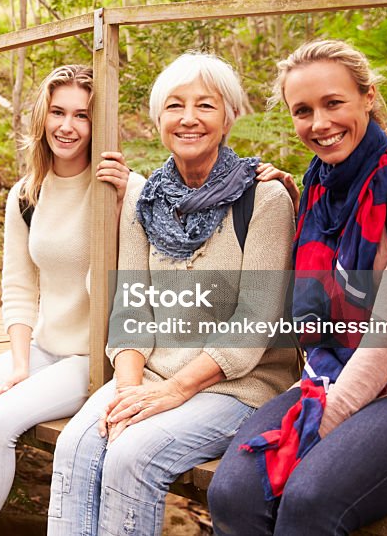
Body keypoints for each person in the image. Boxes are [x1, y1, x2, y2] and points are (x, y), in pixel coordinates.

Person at [207, 40, 387, 535]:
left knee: (309, 499)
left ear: (367, 97)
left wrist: (318, 425)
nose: (319, 123)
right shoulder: (322, 192)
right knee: (233, 492)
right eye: (303, 111)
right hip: (332, 376)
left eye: (333, 103)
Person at [47, 52, 298, 536]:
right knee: (77, 446)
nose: (188, 118)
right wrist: (127, 392)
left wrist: (174, 391)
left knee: (131, 457)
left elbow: (256, 320)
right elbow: (131, 305)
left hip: (237, 386)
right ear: (158, 119)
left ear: (229, 117)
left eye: (205, 105)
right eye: (175, 106)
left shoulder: (264, 198)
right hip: (149, 376)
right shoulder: (144, 201)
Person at [0, 64, 144, 536]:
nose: (67, 126)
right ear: (43, 117)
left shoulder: (124, 188)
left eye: (81, 116)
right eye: (57, 112)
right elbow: (18, 287)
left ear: (99, 125)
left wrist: (111, 213)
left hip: (96, 355)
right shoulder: (26, 194)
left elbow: (116, 292)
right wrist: (18, 363)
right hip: (45, 345)